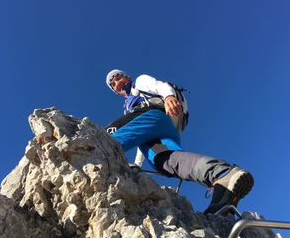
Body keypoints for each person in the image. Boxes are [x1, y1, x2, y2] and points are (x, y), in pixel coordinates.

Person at [105, 69, 254, 214]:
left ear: (127, 77)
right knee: (166, 161)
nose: (116, 82)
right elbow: (139, 135)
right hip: (163, 128)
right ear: (115, 91)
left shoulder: (139, 82)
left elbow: (159, 85)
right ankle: (222, 177)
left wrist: (169, 97)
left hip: (155, 115)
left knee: (106, 136)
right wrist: (137, 165)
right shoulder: (129, 105)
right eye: (113, 84)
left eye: (118, 78)